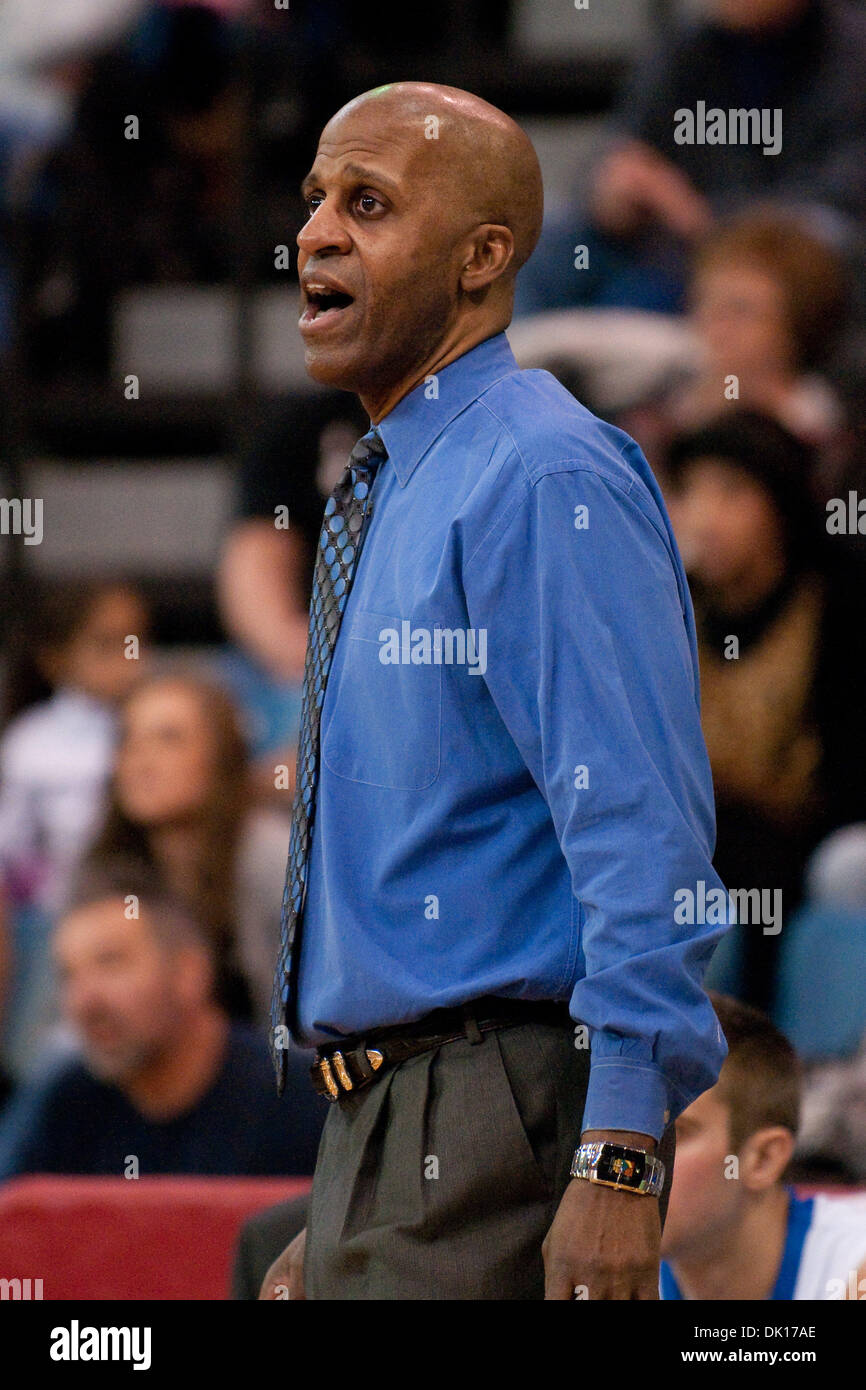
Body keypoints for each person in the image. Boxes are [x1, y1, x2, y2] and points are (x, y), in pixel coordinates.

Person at [260, 81, 729, 1302]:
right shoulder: (385, 481)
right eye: (314, 199)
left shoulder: (538, 469)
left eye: (366, 204)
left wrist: (619, 1154)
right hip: (392, 1121)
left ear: (482, 257)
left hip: (503, 1108)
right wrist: (355, 1190)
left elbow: (644, 831)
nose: (314, 232)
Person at [666, 410, 866, 1007]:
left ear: (779, 505)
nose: (706, 516)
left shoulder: (839, 603)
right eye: (691, 491)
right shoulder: (672, 603)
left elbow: (849, 778)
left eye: (731, 493)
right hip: (705, 832)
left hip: (808, 835)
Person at [515, 0, 866, 319]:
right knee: (553, 236)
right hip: (671, 248)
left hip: (784, 253)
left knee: (823, 237)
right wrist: (610, 190)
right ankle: (517, 373)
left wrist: (704, 216)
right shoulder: (689, 45)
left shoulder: (850, 53)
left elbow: (843, 197)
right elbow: (621, 144)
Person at [0, 873, 324, 1178]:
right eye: (68, 975)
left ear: (188, 973)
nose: (85, 1002)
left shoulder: (299, 1104)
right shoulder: (68, 1107)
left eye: (110, 963)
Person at [83, 672, 290, 1028]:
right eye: (128, 740)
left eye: (169, 739)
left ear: (221, 757)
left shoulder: (273, 856)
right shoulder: (103, 867)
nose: (141, 760)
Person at [661, 992, 866, 1300]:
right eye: (628, 1132)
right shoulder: (591, 1259)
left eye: (674, 1133)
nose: (632, 1160)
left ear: (764, 1159)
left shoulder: (852, 1268)